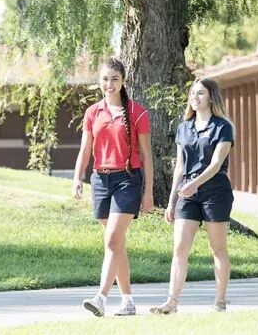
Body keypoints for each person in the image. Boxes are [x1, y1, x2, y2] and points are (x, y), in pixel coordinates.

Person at [72, 58, 153, 317]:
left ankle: (101, 298)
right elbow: (86, 148)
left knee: (112, 240)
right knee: (116, 244)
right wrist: (77, 177)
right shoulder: (92, 112)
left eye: (115, 79)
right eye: (105, 79)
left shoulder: (138, 113)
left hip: (128, 179)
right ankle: (128, 301)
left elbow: (146, 155)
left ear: (123, 81)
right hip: (100, 180)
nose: (110, 84)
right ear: (99, 81)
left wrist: (148, 191)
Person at [151, 78, 235, 314]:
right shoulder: (184, 128)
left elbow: (216, 164)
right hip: (188, 192)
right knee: (179, 247)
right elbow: (180, 166)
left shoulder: (223, 127)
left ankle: (220, 301)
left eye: (200, 93)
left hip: (215, 191)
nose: (195, 98)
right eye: (192, 93)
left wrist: (194, 184)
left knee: (217, 248)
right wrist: (171, 201)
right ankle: (171, 303)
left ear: (211, 97)